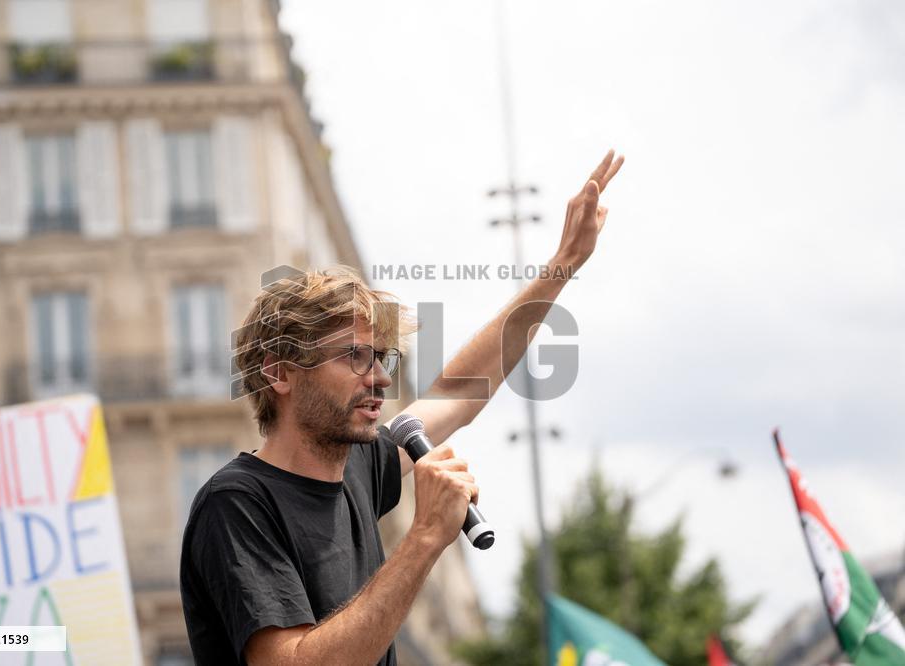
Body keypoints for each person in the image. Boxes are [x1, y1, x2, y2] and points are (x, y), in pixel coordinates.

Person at [179, 151, 625, 665]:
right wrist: (427, 536)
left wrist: (560, 267)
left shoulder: (357, 469)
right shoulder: (235, 503)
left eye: (382, 358)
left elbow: (460, 391)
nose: (381, 378)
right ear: (279, 372)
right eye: (354, 357)